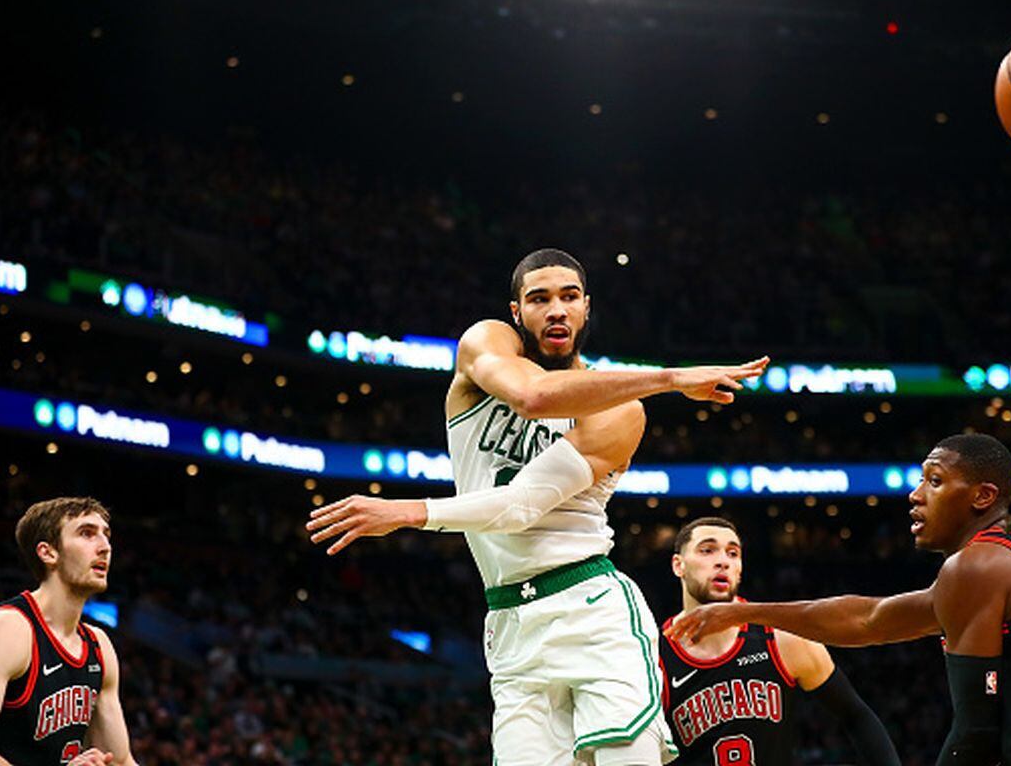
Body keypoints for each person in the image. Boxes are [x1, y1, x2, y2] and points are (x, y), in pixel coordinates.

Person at [308, 248, 767, 765]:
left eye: (570, 298)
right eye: (539, 299)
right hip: (509, 622)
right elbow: (533, 396)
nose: (556, 310)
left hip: (592, 611)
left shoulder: (620, 411)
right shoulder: (484, 345)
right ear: (515, 312)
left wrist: (412, 511)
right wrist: (670, 378)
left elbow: (523, 505)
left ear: (587, 309)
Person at [667, 434, 1011, 766]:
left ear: (981, 497)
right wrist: (743, 610)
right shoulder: (983, 570)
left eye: (933, 480)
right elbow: (865, 619)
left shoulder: (976, 565)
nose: (914, 494)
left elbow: (975, 731)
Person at [661, 517, 900, 766]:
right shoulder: (652, 656)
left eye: (733, 553)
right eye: (707, 550)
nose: (723, 561)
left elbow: (856, 715)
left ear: (740, 569)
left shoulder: (781, 639)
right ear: (679, 565)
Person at [0, 497, 138, 766]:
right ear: (48, 552)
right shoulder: (10, 629)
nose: (105, 547)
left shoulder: (98, 645)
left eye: (106, 536)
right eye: (87, 533)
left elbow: (120, 761)